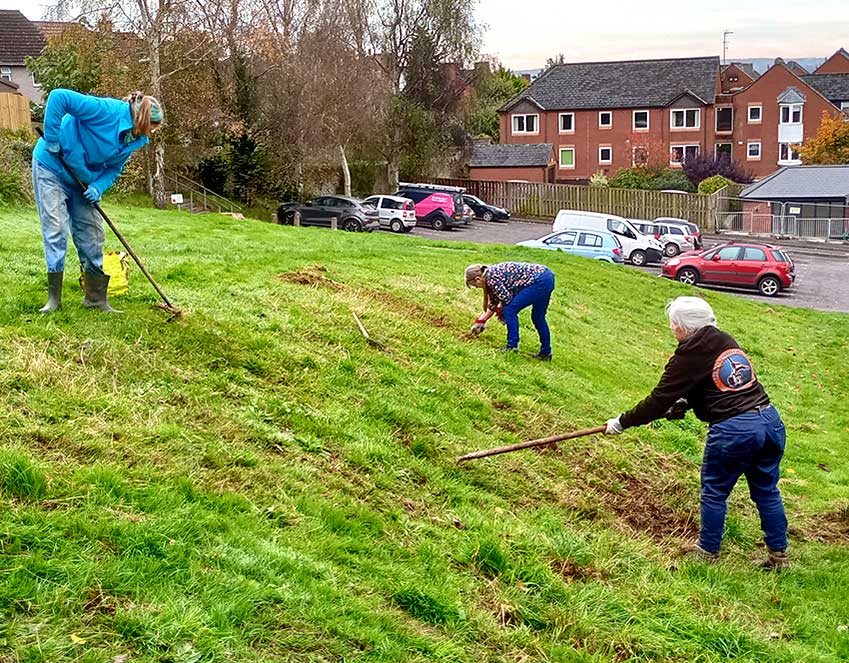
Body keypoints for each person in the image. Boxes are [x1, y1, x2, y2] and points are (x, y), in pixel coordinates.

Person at [605, 296, 789, 570]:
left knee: (714, 492)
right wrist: (685, 403)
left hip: (735, 429)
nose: (673, 330)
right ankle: (779, 557)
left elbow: (658, 400)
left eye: (673, 326)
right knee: (766, 490)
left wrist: (622, 422)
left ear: (680, 327)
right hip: (769, 420)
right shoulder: (724, 340)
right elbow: (721, 384)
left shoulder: (689, 353)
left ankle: (706, 554)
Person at [33, 89, 163, 313]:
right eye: (151, 127)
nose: (151, 133)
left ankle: (95, 300)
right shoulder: (105, 111)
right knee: (56, 227)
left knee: (93, 234)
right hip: (53, 167)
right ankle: (54, 300)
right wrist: (52, 138)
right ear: (140, 120)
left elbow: (114, 168)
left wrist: (97, 187)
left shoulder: (135, 139)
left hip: (82, 181)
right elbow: (58, 97)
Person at [464, 261, 555, 360]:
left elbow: (506, 300)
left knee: (509, 310)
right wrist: (481, 321)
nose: (478, 288)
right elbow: (497, 302)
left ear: (478, 279)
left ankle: (512, 346)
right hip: (547, 277)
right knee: (538, 317)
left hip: (538, 282)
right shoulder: (491, 272)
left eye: (476, 286)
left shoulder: (491, 279)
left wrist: (498, 312)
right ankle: (546, 353)